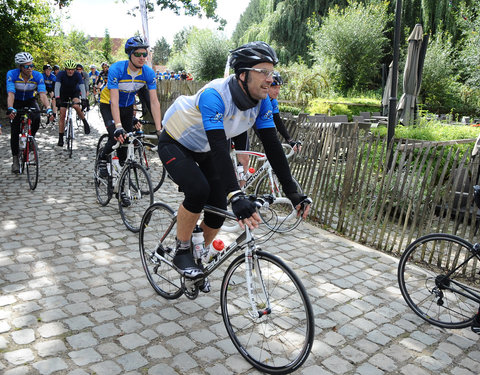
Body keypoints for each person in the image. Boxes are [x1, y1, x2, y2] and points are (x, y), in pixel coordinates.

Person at [157, 41, 311, 281]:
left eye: (272, 72)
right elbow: (220, 148)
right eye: (263, 72)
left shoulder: (263, 102)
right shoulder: (215, 95)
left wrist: (292, 190)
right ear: (243, 75)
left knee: (218, 207)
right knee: (198, 190)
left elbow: (272, 146)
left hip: (204, 148)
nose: (270, 79)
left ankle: (200, 254)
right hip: (176, 141)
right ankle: (182, 249)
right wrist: (236, 195)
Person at [97, 36, 162, 181]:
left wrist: (159, 129)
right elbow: (114, 100)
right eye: (137, 54)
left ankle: (119, 180)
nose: (142, 57)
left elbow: (154, 101)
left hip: (126, 107)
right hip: (108, 104)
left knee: (126, 146)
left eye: (144, 54)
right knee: (116, 137)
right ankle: (102, 158)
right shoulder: (117, 69)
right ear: (130, 54)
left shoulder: (148, 73)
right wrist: (118, 126)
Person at [232, 71, 301, 181]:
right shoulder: (258, 99)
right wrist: (270, 145)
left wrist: (290, 140)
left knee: (245, 162)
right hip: (234, 125)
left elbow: (278, 122)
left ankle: (241, 194)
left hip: (241, 127)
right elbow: (255, 123)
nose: (277, 91)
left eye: (279, 88)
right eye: (274, 88)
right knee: (234, 159)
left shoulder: (273, 102)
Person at [6, 52, 53, 172]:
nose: (30, 68)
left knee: (37, 117)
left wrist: (48, 108)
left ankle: (31, 139)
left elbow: (42, 94)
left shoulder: (37, 76)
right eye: (27, 66)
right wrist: (11, 108)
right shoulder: (12, 74)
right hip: (16, 101)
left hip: (29, 100)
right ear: (20, 67)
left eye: (31, 65)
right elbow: (11, 93)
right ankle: (15, 159)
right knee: (15, 130)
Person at [54, 59, 91, 147]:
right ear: (65, 69)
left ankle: (84, 121)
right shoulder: (61, 74)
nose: (70, 71)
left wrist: (84, 99)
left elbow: (82, 86)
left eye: (72, 69)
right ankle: (60, 138)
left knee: (76, 106)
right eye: (68, 69)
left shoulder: (77, 74)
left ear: (74, 70)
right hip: (63, 94)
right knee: (62, 115)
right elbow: (57, 86)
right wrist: (57, 98)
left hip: (74, 92)